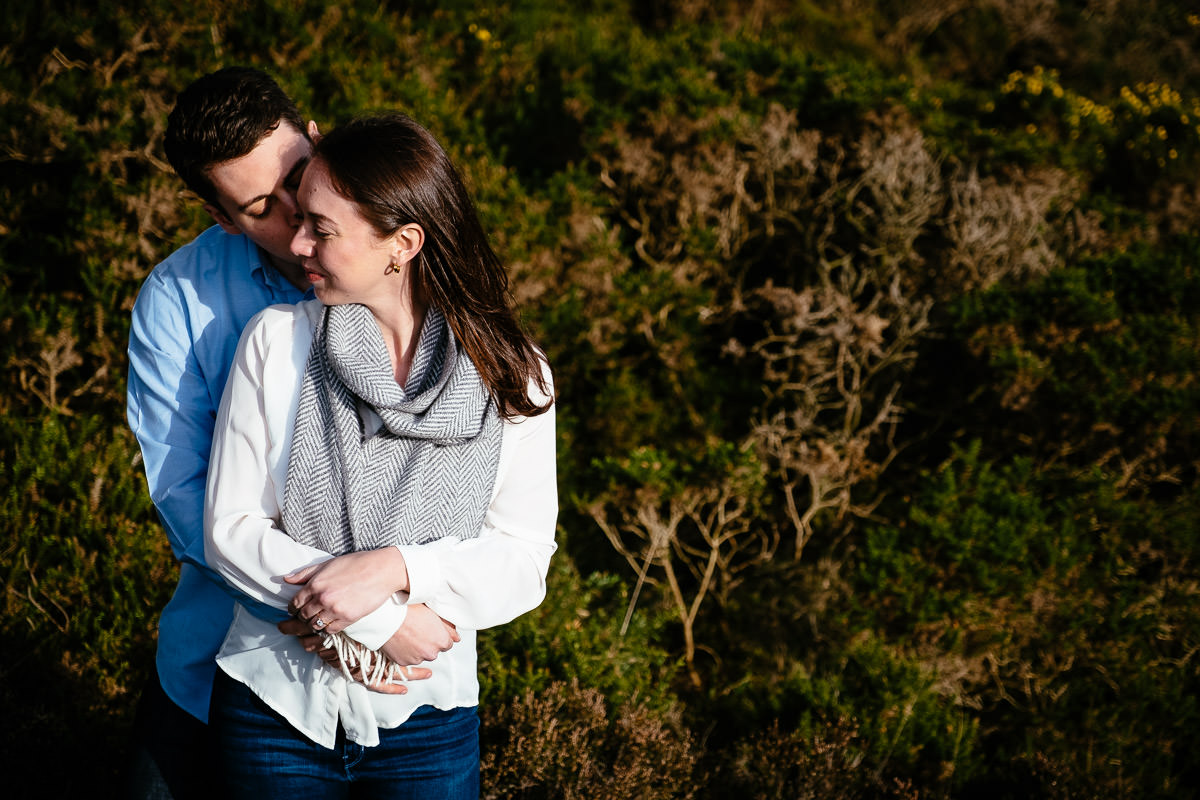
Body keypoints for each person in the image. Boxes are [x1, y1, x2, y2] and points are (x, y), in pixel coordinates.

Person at [202, 111, 557, 798]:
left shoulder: (514, 375)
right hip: (274, 705)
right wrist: (380, 619)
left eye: (322, 228)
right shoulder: (276, 343)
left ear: (403, 243)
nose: (297, 243)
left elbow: (522, 560)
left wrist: (397, 567)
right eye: (301, 221)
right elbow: (231, 532)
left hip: (427, 716)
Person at [124, 69, 456, 799]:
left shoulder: (404, 271)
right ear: (219, 216)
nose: (295, 216)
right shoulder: (177, 301)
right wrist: (350, 615)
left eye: (297, 178)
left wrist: (379, 607)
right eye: (260, 208)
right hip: (224, 663)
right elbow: (185, 498)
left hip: (405, 688)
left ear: (315, 139)